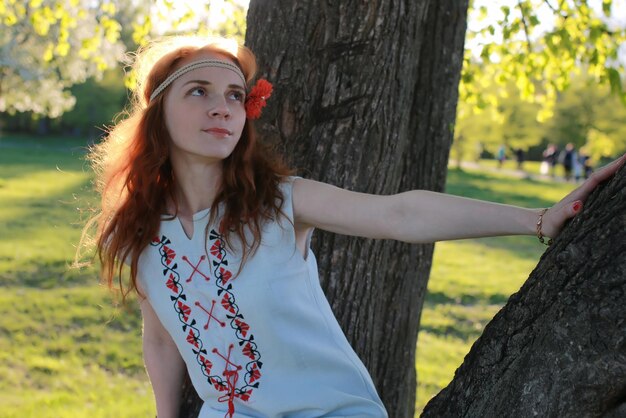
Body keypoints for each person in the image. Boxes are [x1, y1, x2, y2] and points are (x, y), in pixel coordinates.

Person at [82, 35, 626, 418]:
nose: (222, 108)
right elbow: (160, 338)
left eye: (233, 95)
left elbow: (398, 214)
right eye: (197, 91)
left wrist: (537, 219)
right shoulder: (141, 238)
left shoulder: (279, 204)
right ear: (158, 114)